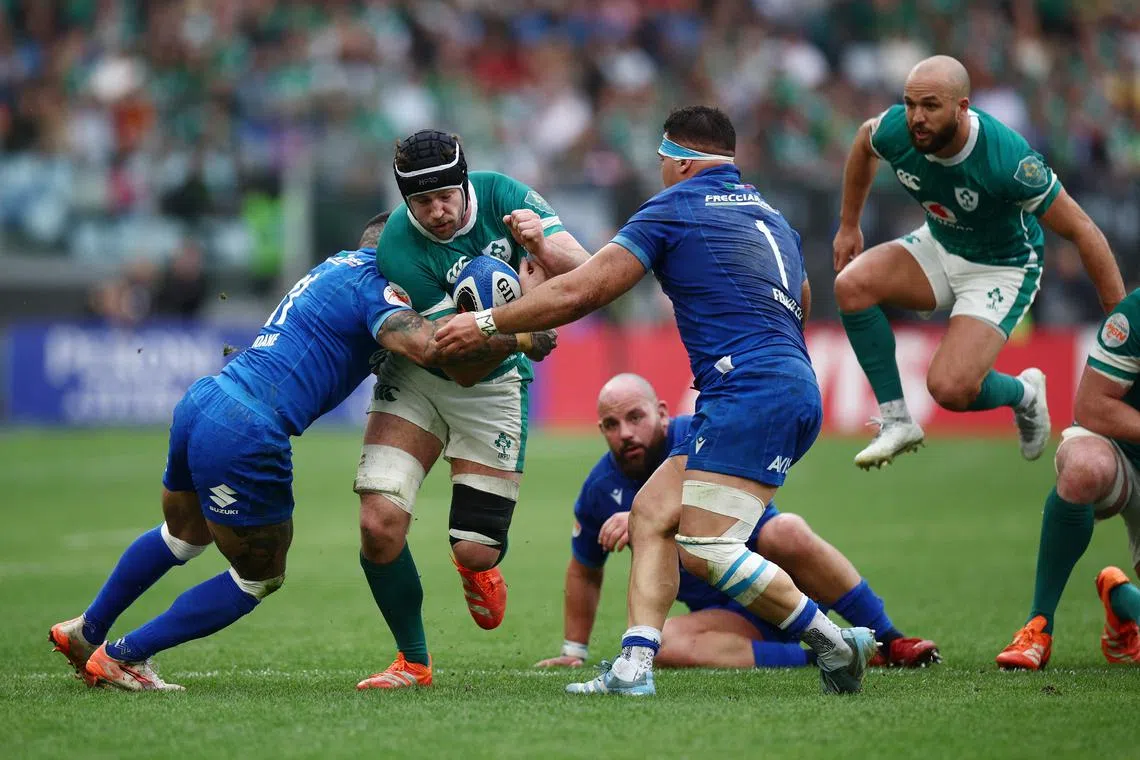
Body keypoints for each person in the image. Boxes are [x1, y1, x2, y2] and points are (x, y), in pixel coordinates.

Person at [438, 106, 878, 696]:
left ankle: (833, 642)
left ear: (679, 160)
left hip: (747, 390)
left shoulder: (675, 208)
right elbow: (799, 296)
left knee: (705, 547)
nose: (661, 171)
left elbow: (585, 289)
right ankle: (635, 666)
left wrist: (489, 323)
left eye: (663, 161)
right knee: (651, 513)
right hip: (786, 380)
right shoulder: (772, 217)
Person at [47, 213, 544, 691]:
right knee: (258, 578)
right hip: (248, 430)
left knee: (184, 534)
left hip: (206, 400)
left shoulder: (333, 267)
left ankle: (87, 629)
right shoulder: (376, 285)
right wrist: (517, 331)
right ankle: (122, 656)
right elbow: (430, 347)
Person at [353, 130, 587, 690]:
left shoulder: (506, 196)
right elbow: (456, 362)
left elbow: (587, 276)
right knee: (377, 524)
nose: (436, 212)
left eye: (446, 198)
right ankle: (413, 661)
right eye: (421, 202)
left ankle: (471, 567)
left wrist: (545, 247)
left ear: (465, 184)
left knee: (477, 550)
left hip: (496, 387)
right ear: (405, 201)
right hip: (422, 377)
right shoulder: (399, 250)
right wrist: (526, 327)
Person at [832, 55, 1124, 470]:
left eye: (930, 106)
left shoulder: (1007, 160)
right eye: (910, 103)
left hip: (1002, 266)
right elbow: (864, 142)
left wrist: (1120, 318)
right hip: (940, 242)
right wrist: (848, 226)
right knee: (851, 285)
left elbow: (1082, 230)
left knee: (949, 389)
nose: (916, 116)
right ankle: (897, 420)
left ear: (962, 108)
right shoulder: (899, 129)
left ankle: (1024, 394)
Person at [536, 374, 940, 671]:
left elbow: (746, 521)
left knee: (786, 530)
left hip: (779, 579)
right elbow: (584, 570)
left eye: (635, 417)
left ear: (661, 413)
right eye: (611, 424)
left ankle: (892, 639)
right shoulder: (598, 490)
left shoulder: (699, 440)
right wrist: (575, 651)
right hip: (733, 619)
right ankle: (832, 653)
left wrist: (647, 516)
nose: (625, 433)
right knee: (668, 645)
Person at [995, 290, 1140, 669]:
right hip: (1120, 450)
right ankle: (1038, 625)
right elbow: (1092, 406)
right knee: (1084, 468)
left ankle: (1122, 600)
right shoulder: (1135, 314)